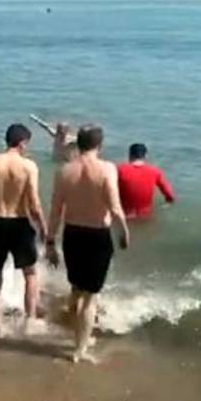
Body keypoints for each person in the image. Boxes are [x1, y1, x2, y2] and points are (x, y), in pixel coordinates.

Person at [46, 125, 129, 363]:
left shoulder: (64, 171)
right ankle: (79, 348)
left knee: (76, 288)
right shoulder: (107, 169)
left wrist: (50, 242)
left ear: (77, 143)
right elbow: (114, 207)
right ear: (99, 145)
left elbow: (55, 211)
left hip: (72, 234)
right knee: (90, 297)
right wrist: (123, 232)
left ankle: (73, 330)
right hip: (96, 236)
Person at [0, 124, 49, 337]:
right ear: (23, 142)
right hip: (19, 223)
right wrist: (43, 227)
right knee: (30, 274)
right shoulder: (28, 166)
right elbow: (34, 203)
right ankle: (30, 320)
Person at [117, 143, 175, 219]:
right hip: (146, 217)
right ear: (145, 156)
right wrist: (162, 207)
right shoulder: (155, 172)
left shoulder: (118, 170)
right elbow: (170, 197)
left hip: (123, 217)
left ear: (130, 155)